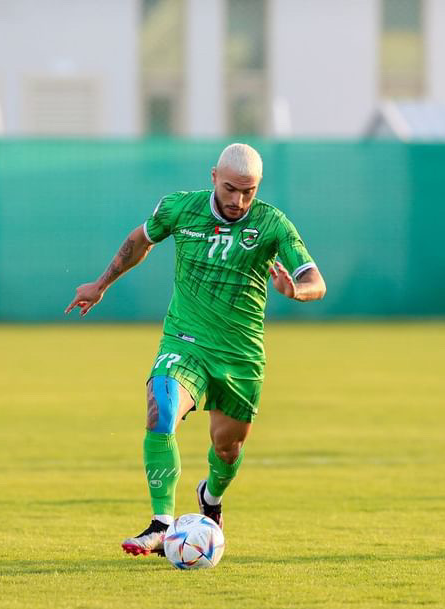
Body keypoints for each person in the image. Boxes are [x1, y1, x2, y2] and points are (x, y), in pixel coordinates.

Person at [65, 143, 326, 556]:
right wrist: (100, 284)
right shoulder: (180, 209)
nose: (239, 200)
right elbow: (139, 241)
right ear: (212, 177)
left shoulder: (273, 224)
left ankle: (212, 496)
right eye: (230, 189)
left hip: (240, 356)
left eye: (249, 191)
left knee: (227, 449)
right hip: (184, 341)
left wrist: (296, 290)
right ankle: (160, 524)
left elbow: (315, 279)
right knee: (161, 407)